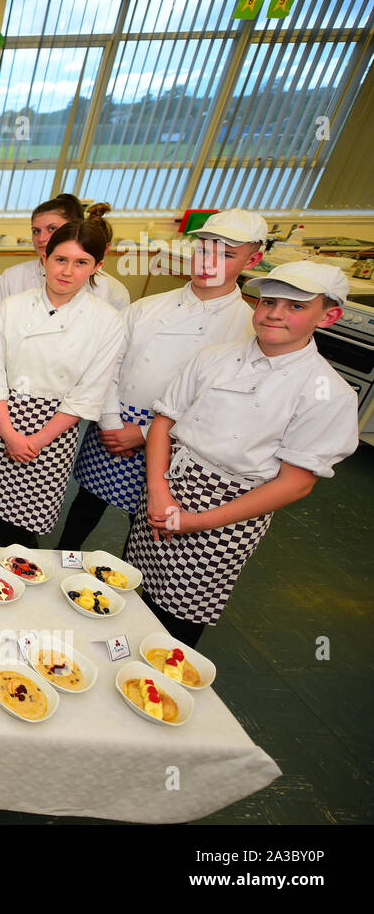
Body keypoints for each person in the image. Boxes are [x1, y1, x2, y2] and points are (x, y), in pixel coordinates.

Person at [125, 261, 358, 649]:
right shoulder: (214, 356)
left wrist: (197, 522)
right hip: (170, 483)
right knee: (132, 586)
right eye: (269, 301)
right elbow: (165, 422)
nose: (275, 314)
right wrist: (158, 490)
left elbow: (295, 484)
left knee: (176, 618)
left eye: (296, 306)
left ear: (329, 316)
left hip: (230, 511)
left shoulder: (327, 392)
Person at [57, 210, 263, 551]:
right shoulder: (146, 308)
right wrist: (110, 421)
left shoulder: (247, 330)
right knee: (87, 503)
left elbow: (218, 405)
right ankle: (61, 556)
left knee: (146, 521)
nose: (208, 263)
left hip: (176, 438)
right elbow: (108, 364)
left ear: (253, 259)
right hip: (113, 421)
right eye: (204, 249)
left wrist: (143, 433)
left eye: (226, 255)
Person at [0, 217, 125, 547]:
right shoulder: (12, 307)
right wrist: (8, 433)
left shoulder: (107, 321)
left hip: (54, 433)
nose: (67, 271)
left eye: (81, 263)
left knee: (21, 527)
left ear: (97, 266)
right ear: (45, 258)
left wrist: (37, 440)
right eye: (60, 259)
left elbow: (88, 392)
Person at [0, 194, 129, 332]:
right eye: (36, 231)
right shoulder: (13, 276)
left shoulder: (109, 288)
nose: (42, 238)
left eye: (52, 229)